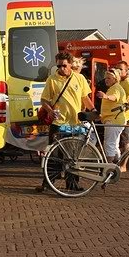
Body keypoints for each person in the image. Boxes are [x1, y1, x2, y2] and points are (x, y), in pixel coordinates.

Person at [36, 51, 94, 192]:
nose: (61, 69)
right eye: (58, 66)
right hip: (58, 124)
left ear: (70, 65)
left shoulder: (79, 78)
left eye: (64, 66)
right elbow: (44, 100)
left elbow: (84, 98)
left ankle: (72, 184)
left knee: (73, 157)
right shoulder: (52, 79)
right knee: (53, 156)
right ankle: (48, 183)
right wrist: (50, 111)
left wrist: (93, 111)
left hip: (74, 124)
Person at [96, 69, 128, 163]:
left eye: (109, 78)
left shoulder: (116, 88)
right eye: (106, 78)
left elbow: (114, 97)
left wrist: (105, 96)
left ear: (115, 79)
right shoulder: (113, 88)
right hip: (115, 119)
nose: (106, 80)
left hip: (113, 120)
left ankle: (109, 167)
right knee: (114, 144)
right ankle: (116, 164)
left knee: (109, 144)